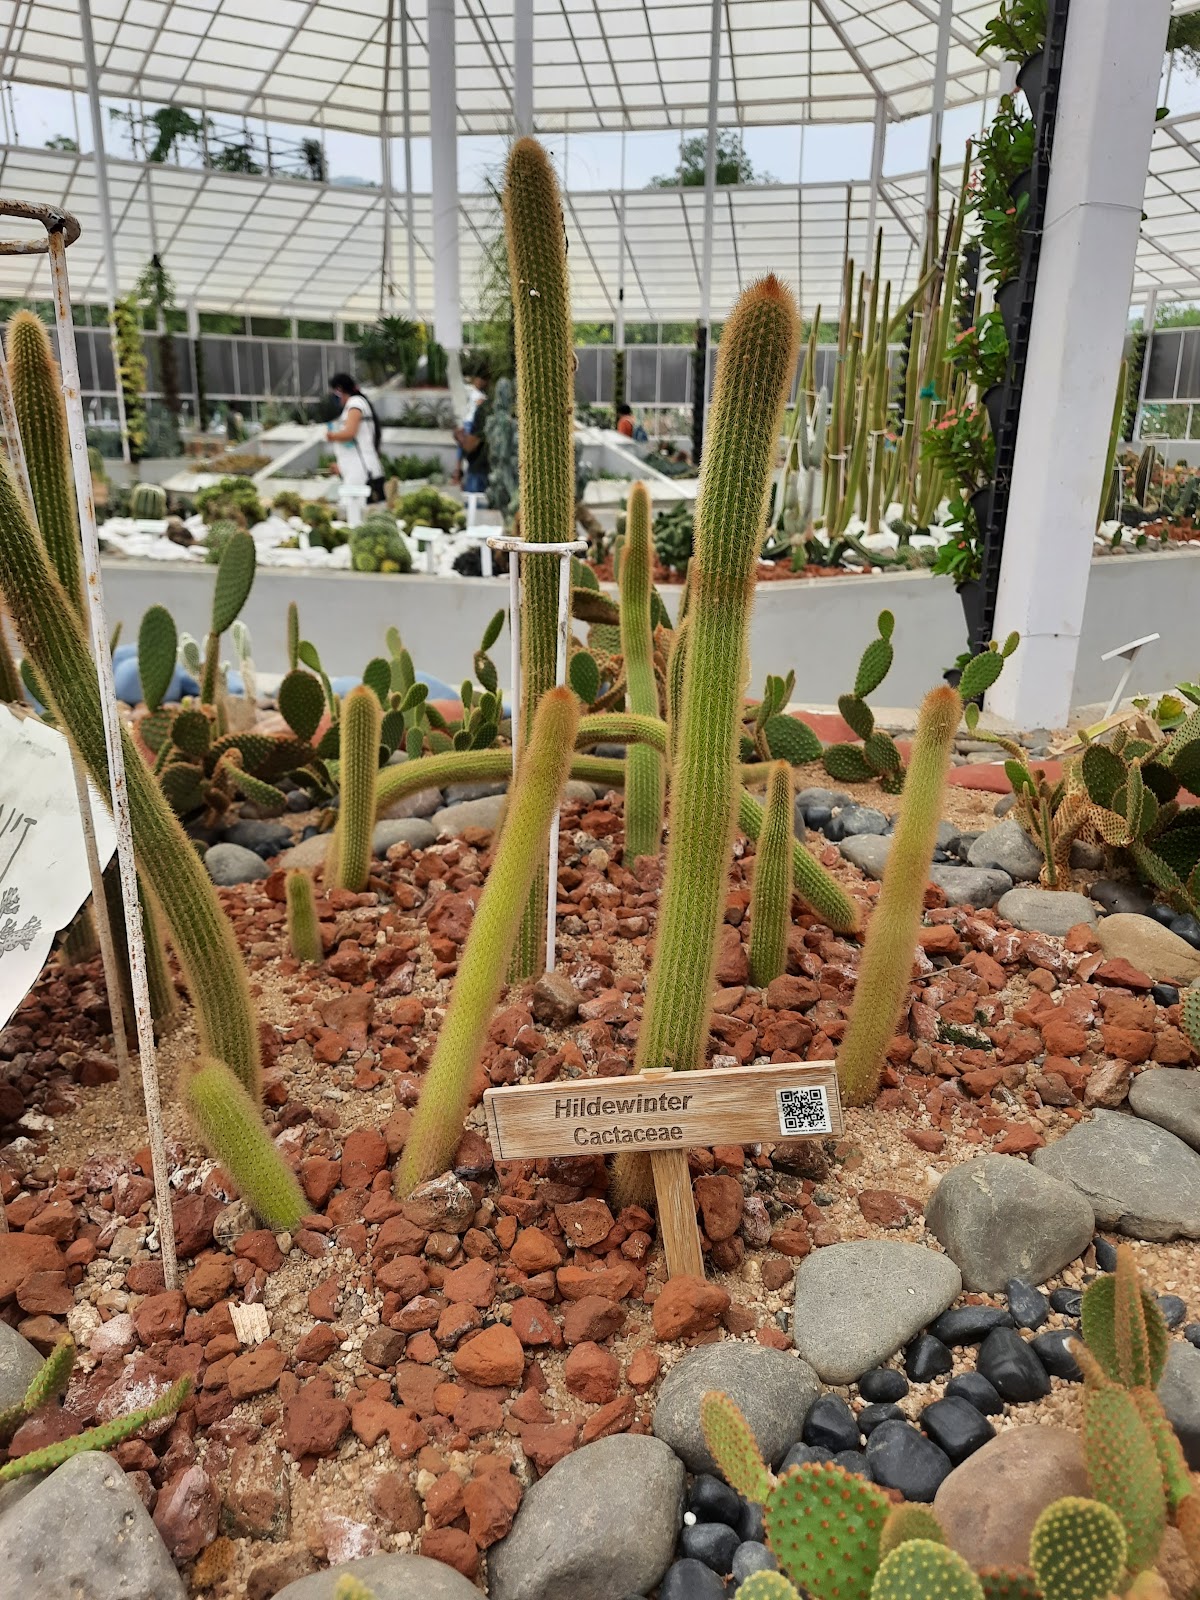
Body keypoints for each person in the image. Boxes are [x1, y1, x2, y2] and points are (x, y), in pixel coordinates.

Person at [326, 373, 385, 504]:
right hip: (356, 469)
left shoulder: (355, 404)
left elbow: (350, 433)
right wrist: (341, 465)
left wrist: (332, 436)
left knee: (354, 511)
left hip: (360, 471)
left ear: (339, 389)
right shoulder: (353, 405)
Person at [454, 368, 491, 495]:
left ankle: (458, 473)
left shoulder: (484, 399)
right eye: (477, 379)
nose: (479, 382)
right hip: (468, 422)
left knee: (466, 446)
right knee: (463, 446)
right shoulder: (471, 391)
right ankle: (457, 472)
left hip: (473, 425)